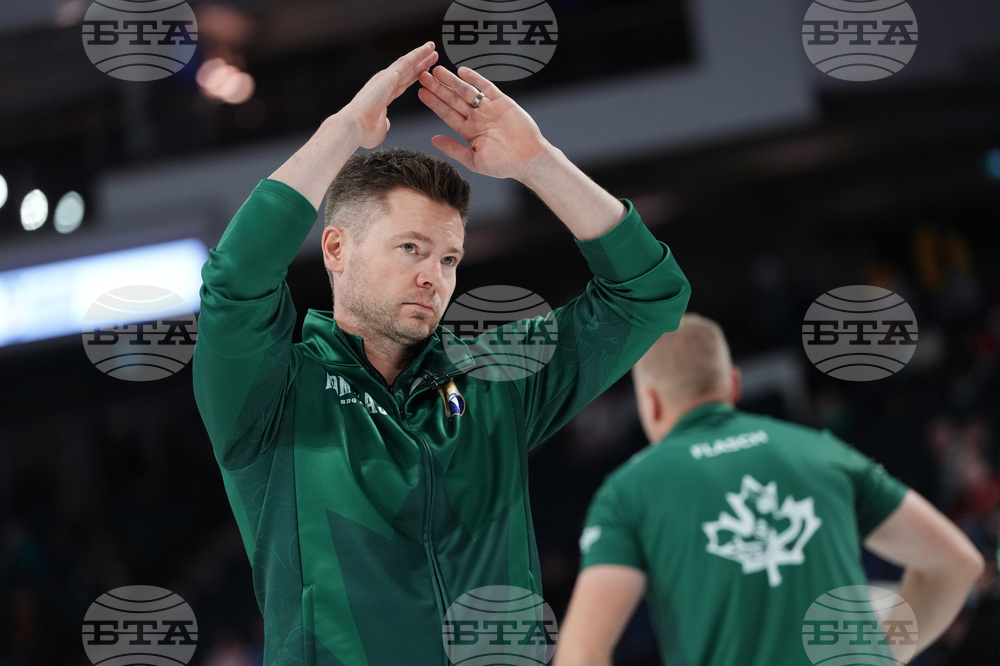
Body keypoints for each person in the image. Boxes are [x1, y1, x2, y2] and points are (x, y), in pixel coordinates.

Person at [192, 42, 691, 665]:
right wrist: (343, 130)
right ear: (336, 249)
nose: (436, 276)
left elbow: (648, 296)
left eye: (449, 257)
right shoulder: (271, 400)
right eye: (411, 248)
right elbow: (235, 282)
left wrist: (540, 163)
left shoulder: (496, 381)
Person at [555, 313, 985, 666]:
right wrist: (882, 652)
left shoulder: (629, 491)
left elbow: (581, 652)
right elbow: (957, 563)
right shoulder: (822, 452)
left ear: (649, 402)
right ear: (735, 385)